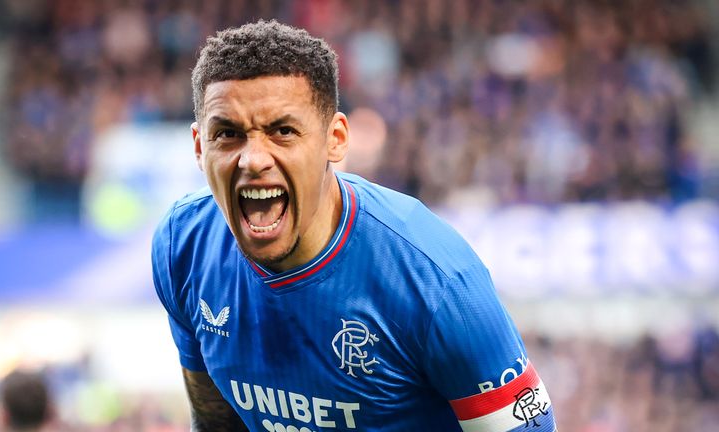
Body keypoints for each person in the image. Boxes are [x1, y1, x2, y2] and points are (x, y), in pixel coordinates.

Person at [152, 20, 557, 432]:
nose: (253, 160)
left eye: (283, 131)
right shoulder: (183, 247)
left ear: (336, 139)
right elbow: (216, 422)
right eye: (228, 134)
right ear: (200, 147)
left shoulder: (437, 281)